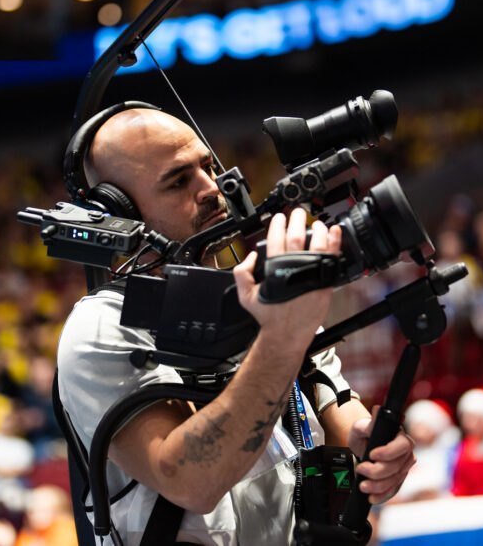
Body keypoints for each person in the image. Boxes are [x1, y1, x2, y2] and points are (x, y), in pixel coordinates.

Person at [54, 107, 415, 544]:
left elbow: (338, 412)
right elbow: (190, 481)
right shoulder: (100, 327)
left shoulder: (260, 289)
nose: (211, 188)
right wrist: (281, 336)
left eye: (208, 166)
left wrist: (372, 448)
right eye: (178, 181)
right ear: (120, 212)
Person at [390, 399, 459, 502]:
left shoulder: (451, 454)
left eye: (422, 425)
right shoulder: (407, 456)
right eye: (414, 425)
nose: (418, 430)